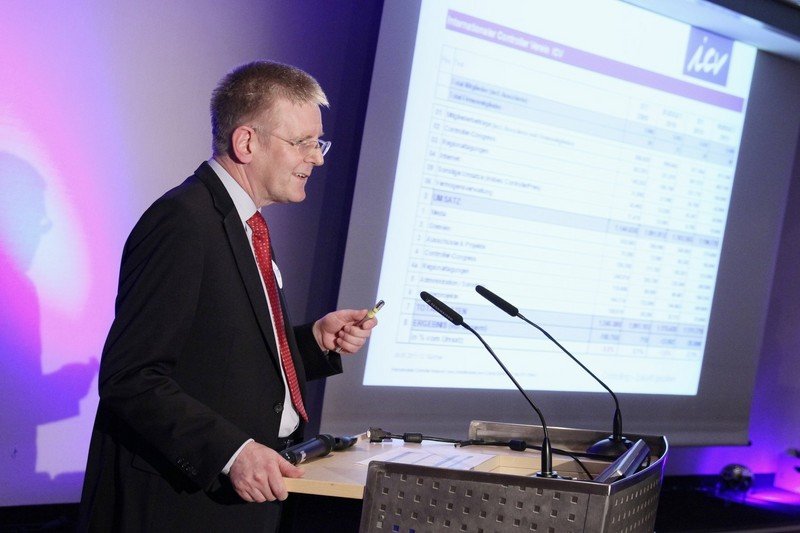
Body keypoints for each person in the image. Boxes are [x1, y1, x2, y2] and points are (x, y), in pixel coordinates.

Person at [78, 61, 376, 532]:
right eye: (301, 142)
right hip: (181, 508)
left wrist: (313, 342)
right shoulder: (182, 221)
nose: (317, 159)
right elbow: (131, 377)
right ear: (246, 143)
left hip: (245, 501)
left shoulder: (245, 224)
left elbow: (223, 357)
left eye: (318, 143)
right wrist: (231, 453)